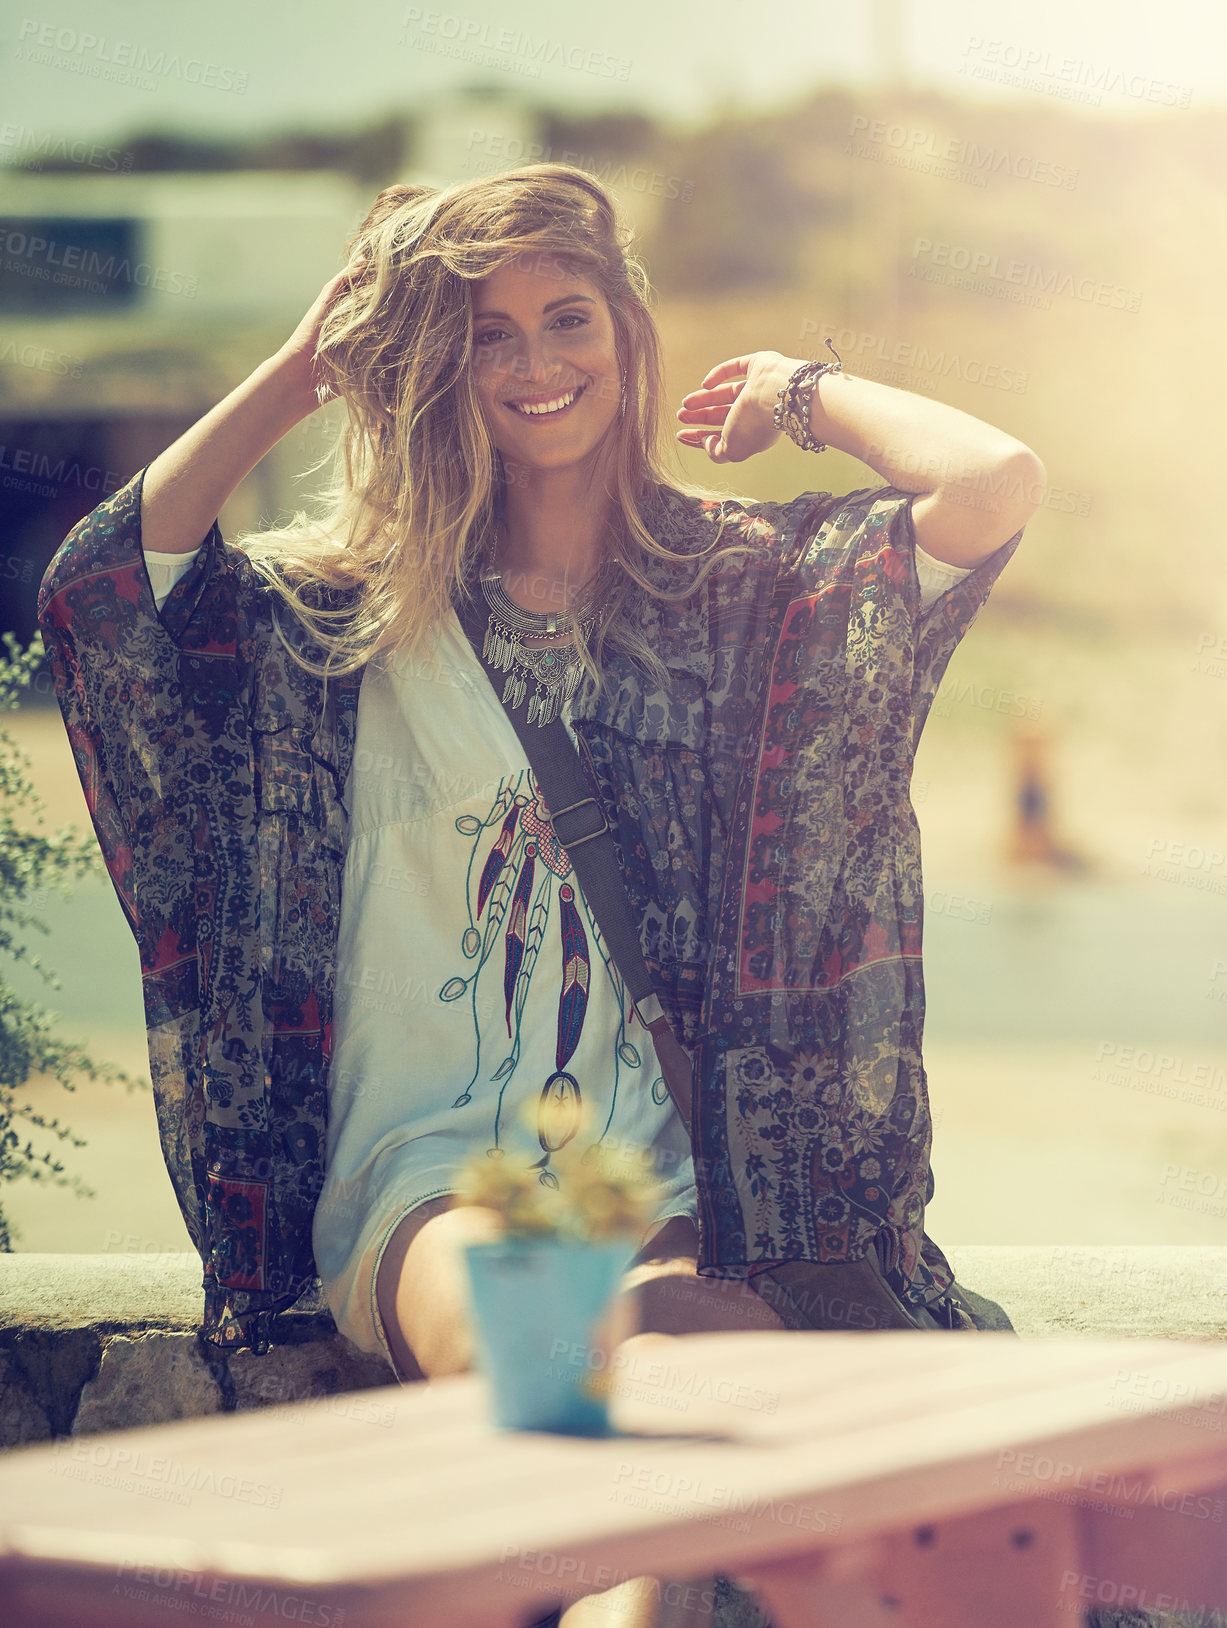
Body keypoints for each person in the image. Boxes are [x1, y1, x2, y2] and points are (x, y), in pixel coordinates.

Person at [38, 164, 1043, 1627]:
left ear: (626, 334)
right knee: (564, 1351)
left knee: (689, 1386)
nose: (532, 363)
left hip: (669, 1181)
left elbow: (993, 485)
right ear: (437, 367)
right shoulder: (334, 624)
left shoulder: (735, 588)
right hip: (441, 1176)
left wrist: (797, 388)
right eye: (484, 335)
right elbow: (102, 595)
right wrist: (298, 372)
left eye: (566, 317)